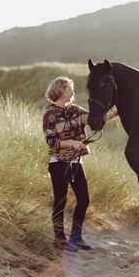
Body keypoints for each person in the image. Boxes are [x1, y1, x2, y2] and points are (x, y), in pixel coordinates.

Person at [42, 76, 117, 253]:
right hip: (58, 162)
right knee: (60, 201)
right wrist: (73, 143)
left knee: (84, 199)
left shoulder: (76, 110)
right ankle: (59, 240)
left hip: (75, 162)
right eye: (69, 89)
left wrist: (115, 113)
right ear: (59, 90)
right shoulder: (49, 113)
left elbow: (94, 120)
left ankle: (76, 238)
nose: (73, 93)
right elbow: (51, 141)